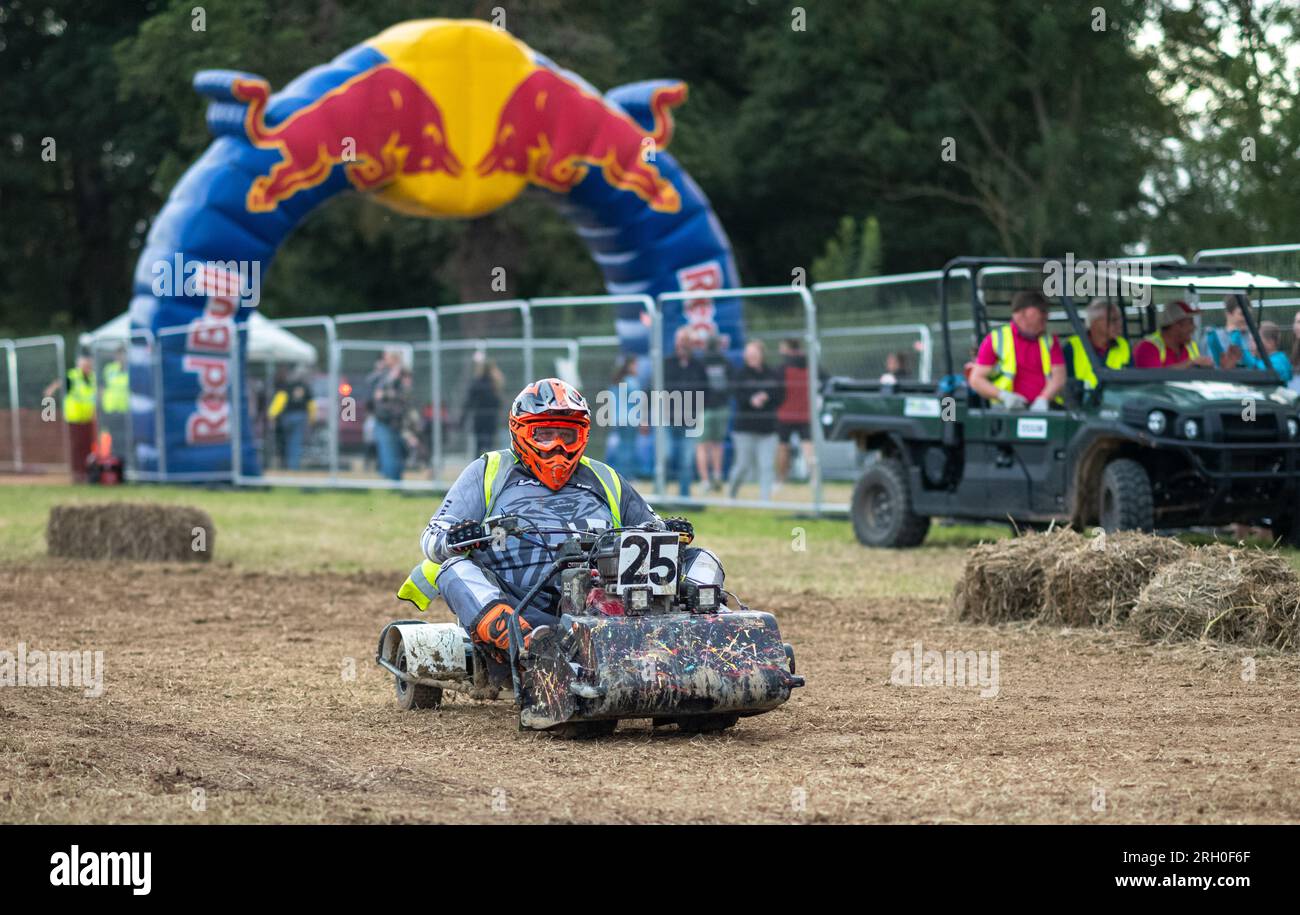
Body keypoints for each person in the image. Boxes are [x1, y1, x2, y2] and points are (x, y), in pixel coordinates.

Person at [401, 378, 723, 679]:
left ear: (581, 435)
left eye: (566, 435)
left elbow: (649, 530)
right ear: (521, 431)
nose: (557, 446)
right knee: (454, 568)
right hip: (521, 606)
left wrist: (666, 534)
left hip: (608, 604)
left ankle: (702, 633)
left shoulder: (604, 477)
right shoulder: (489, 471)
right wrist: (456, 540)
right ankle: (532, 647)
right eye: (544, 434)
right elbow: (432, 539)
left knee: (703, 560)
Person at [968, 290, 1066, 409]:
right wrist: (1003, 396)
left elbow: (1059, 377)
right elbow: (976, 379)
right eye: (1041, 310)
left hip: (1046, 409)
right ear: (1022, 313)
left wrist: (1044, 398)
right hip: (1006, 411)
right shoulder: (995, 339)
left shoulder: (1050, 341)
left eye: (1046, 310)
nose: (1046, 315)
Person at [727, 340, 783, 500]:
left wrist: (768, 396)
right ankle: (731, 494)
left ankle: (765, 501)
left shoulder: (772, 374)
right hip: (744, 429)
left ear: (762, 355)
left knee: (766, 466)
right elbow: (737, 395)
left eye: (754, 354)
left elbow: (780, 395)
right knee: (743, 466)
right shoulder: (740, 374)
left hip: (768, 429)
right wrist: (751, 400)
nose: (751, 357)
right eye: (749, 354)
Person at [662, 326, 707, 497]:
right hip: (667, 419)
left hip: (690, 421)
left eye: (685, 340)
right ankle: (661, 494)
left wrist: (699, 410)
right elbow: (652, 388)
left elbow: (706, 389)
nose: (682, 344)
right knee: (665, 457)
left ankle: (684, 496)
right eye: (679, 340)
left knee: (687, 461)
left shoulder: (698, 366)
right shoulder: (666, 363)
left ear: (691, 343)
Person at [43, 352, 97, 482]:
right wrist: (48, 410)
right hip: (74, 419)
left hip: (89, 419)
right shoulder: (72, 376)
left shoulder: (92, 378)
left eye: (89, 364)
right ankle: (77, 474)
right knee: (77, 448)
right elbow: (51, 390)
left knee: (89, 447)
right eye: (85, 364)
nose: (87, 367)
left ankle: (87, 473)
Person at [1063, 298, 1131, 390]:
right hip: (1081, 403)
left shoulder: (1123, 345)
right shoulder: (1071, 348)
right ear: (1094, 322)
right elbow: (1065, 389)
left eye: (1120, 319)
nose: (1119, 324)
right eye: (1113, 320)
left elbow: (1132, 384)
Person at [774, 338, 816, 485]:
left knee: (783, 446)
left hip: (785, 412)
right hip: (805, 412)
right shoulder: (810, 365)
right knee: (808, 447)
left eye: (782, 348)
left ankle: (781, 480)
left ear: (788, 349)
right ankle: (814, 479)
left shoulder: (782, 368)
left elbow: (776, 390)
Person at [695, 333, 731, 492]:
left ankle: (705, 480)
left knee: (702, 445)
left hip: (704, 407)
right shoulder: (725, 361)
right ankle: (717, 475)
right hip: (721, 406)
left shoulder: (700, 362)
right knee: (717, 444)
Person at [1133, 300, 1216, 369]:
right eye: (1190, 322)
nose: (1194, 327)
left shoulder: (1191, 346)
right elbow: (1154, 379)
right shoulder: (1148, 347)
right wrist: (1190, 363)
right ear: (1176, 325)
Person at [367, 349, 409, 481]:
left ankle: (393, 483)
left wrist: (384, 394)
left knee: (391, 453)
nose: (384, 360)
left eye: (387, 357)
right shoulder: (386, 373)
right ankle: (390, 481)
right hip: (383, 418)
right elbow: (370, 381)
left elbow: (404, 395)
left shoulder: (402, 374)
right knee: (387, 452)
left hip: (393, 420)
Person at [268, 365, 316, 470]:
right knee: (296, 442)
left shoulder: (287, 386)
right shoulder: (305, 387)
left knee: (286, 441)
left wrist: (272, 415)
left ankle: (285, 465)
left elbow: (279, 401)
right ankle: (293, 466)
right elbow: (311, 405)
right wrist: (312, 419)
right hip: (300, 416)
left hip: (287, 416)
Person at [603, 355, 641, 479]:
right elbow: (639, 399)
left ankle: (618, 476)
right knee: (629, 449)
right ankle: (627, 477)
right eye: (636, 365)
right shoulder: (631, 381)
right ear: (630, 366)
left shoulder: (616, 382)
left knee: (621, 449)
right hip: (630, 420)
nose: (638, 368)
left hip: (618, 419)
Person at [463, 350, 504, 456]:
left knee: (480, 446)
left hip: (481, 419)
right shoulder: (493, 384)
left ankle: (478, 468)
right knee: (489, 446)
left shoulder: (479, 383)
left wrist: (463, 417)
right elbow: (498, 403)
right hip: (488, 419)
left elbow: (469, 402)